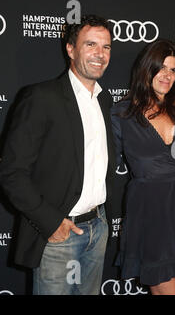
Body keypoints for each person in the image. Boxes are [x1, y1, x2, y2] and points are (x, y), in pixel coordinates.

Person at [0, 15, 116, 295]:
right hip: (58, 235)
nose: (100, 54)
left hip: (97, 229)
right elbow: (12, 173)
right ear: (70, 49)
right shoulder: (41, 97)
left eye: (106, 47)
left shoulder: (104, 98)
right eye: (90, 44)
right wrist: (50, 223)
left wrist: (102, 221)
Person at [111, 39, 175, 295]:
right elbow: (103, 164)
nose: (167, 75)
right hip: (149, 208)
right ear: (147, 69)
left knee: (164, 284)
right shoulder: (122, 113)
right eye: (161, 68)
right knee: (166, 285)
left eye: (173, 70)